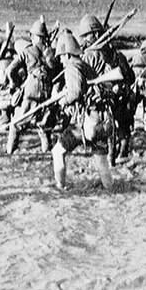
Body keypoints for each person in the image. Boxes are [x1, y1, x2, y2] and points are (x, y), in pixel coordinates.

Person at [51, 32, 114, 190]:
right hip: (102, 119)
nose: (60, 60)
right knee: (101, 159)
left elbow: (76, 92)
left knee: (57, 151)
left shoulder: (72, 67)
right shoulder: (84, 65)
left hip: (85, 123)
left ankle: (60, 187)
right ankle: (110, 189)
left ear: (66, 54)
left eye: (61, 56)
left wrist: (61, 101)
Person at [78, 14, 135, 159]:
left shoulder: (89, 55)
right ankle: (117, 157)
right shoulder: (116, 55)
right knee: (115, 134)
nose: (84, 40)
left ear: (95, 35)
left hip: (98, 103)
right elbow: (130, 77)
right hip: (115, 101)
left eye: (86, 36)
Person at [5, 20, 58, 155]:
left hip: (32, 88)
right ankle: (46, 150)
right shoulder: (51, 52)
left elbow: (10, 70)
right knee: (45, 123)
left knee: (17, 122)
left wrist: (15, 84)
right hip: (48, 89)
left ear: (33, 36)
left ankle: (10, 151)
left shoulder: (27, 51)